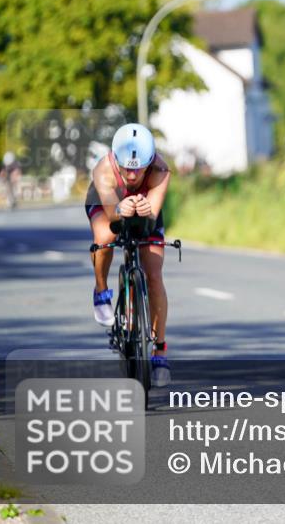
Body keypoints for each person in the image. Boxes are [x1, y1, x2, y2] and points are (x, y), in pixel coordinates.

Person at [85, 123, 173, 387]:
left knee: (154, 274)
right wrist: (121, 208)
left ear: (149, 163)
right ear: (115, 159)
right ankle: (101, 290)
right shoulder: (104, 169)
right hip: (107, 203)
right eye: (127, 168)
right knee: (105, 238)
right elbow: (112, 216)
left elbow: (152, 215)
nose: (133, 176)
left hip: (143, 209)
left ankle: (159, 351)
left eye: (139, 169)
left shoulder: (160, 170)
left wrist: (145, 209)